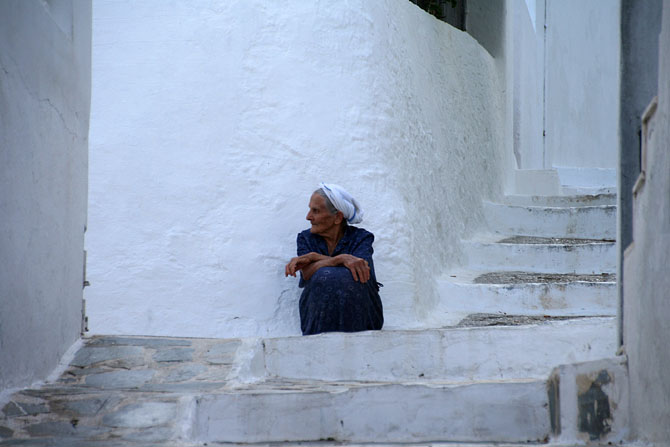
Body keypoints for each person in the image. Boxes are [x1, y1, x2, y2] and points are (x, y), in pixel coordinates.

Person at [285, 183, 383, 335]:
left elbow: (361, 270)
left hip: (363, 317)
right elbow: (307, 273)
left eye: (315, 211)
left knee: (346, 277)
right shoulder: (306, 238)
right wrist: (340, 259)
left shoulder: (361, 238)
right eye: (310, 209)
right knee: (323, 277)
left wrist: (316, 258)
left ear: (337, 217)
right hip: (318, 320)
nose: (308, 216)